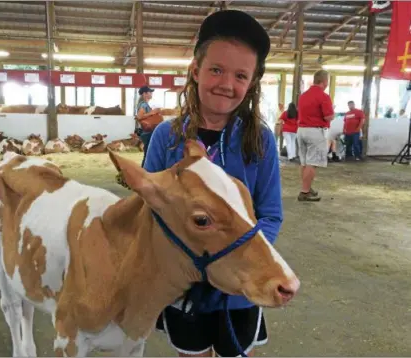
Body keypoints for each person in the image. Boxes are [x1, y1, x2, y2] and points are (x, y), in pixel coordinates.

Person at [143, 9, 282, 358]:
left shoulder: (260, 140)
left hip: (239, 287)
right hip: (183, 286)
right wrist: (190, 268)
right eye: (216, 69)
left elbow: (270, 214)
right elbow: (150, 209)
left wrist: (236, 263)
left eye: (240, 75)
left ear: (251, 83)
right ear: (195, 70)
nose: (226, 83)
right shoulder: (166, 136)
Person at [297, 70, 334, 202]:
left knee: (305, 162)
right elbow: (328, 116)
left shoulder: (303, 96)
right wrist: (332, 114)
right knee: (312, 163)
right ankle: (305, 192)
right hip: (315, 131)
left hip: (301, 130)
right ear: (324, 82)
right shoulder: (323, 96)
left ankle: (306, 187)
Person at [135, 85, 160, 166]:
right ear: (145, 94)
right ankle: (143, 170)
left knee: (148, 153)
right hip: (147, 132)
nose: (151, 94)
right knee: (148, 153)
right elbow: (139, 116)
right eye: (150, 92)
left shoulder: (143, 104)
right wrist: (152, 112)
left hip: (146, 132)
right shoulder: (144, 105)